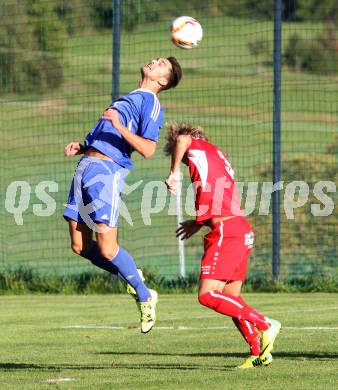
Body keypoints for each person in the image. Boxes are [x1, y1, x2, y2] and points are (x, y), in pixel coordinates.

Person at [63, 57, 182, 333]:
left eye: (161, 63)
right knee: (80, 246)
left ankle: (143, 293)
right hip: (86, 167)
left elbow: (148, 149)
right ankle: (131, 275)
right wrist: (83, 146)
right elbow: (106, 134)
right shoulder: (127, 97)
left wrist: (119, 126)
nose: (154, 61)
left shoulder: (151, 103)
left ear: (162, 81)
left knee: (107, 248)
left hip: (105, 173)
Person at [164, 123, 281, 368]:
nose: (186, 166)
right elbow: (219, 199)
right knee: (230, 297)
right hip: (239, 228)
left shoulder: (192, 144)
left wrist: (173, 171)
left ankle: (265, 324)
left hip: (227, 232)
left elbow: (183, 139)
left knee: (207, 295)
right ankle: (259, 352)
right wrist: (198, 223)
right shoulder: (216, 154)